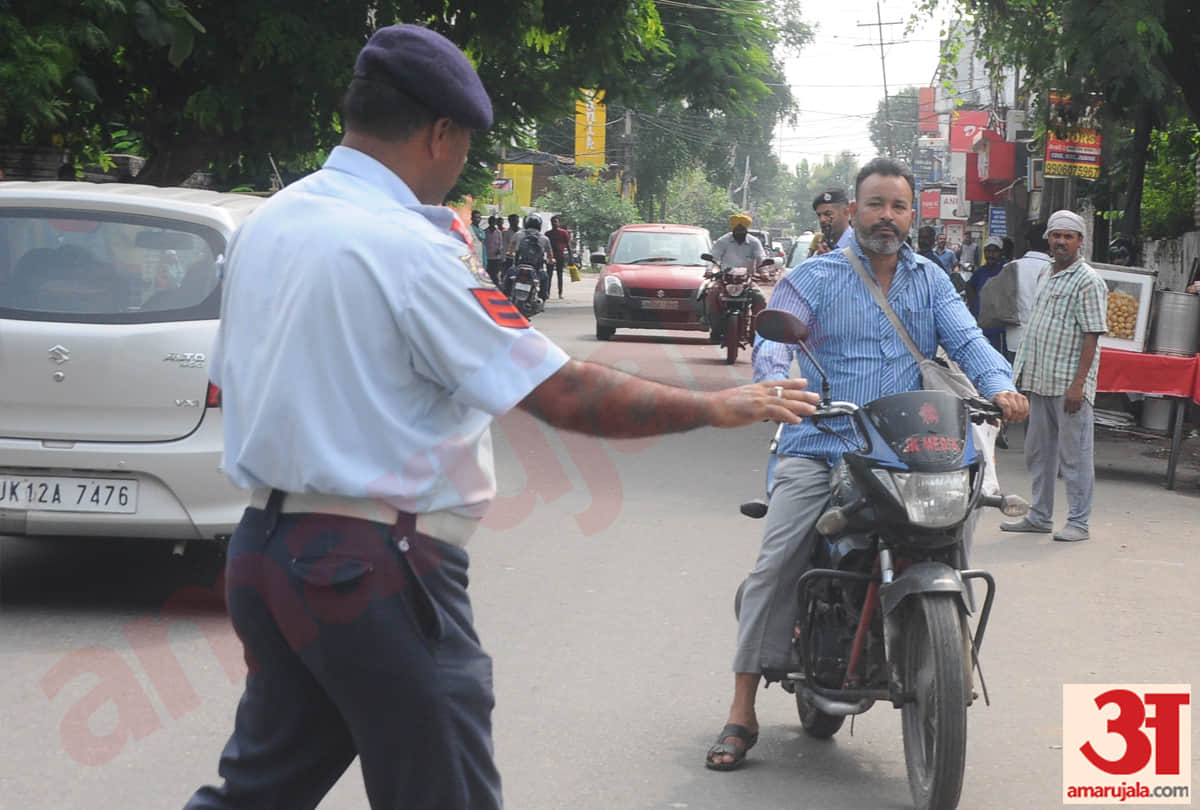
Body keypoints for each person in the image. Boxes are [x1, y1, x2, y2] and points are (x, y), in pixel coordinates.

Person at [184, 23, 819, 810]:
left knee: (258, 790)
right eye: (464, 148)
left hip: (266, 553)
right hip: (373, 564)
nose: (458, 170)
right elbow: (559, 391)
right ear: (440, 132)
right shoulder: (408, 248)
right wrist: (714, 407)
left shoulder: (269, 225)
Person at [704, 156, 1028, 772]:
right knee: (777, 562)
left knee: (957, 522)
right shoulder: (817, 276)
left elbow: (968, 344)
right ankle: (741, 709)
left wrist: (1002, 387)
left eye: (899, 206)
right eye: (875, 204)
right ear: (854, 212)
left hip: (906, 449)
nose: (887, 216)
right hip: (823, 443)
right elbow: (775, 343)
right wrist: (778, 389)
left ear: (913, 215)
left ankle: (945, 646)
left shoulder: (931, 280)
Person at [1001, 210, 1107, 544]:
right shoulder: (1046, 273)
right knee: (1038, 454)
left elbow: (1092, 334)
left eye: (1068, 236)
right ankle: (1040, 516)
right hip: (1040, 381)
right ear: (1048, 238)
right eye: (1056, 235)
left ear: (1080, 241)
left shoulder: (1088, 280)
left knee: (1074, 457)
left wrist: (1079, 384)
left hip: (1068, 385)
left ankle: (1079, 522)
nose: (1061, 241)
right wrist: (1021, 378)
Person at [700, 212, 767, 342]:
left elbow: (761, 258)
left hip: (746, 281)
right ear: (733, 229)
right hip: (724, 280)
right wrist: (708, 270)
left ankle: (754, 332)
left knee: (760, 299)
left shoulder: (754, 242)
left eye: (743, 230)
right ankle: (715, 329)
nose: (740, 232)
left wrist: (763, 272)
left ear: (746, 230)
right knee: (711, 296)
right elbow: (713, 256)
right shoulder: (723, 241)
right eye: (737, 229)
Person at [1003, 227, 1052, 363]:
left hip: (1014, 338)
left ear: (1028, 244)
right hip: (1045, 342)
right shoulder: (1055, 271)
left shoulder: (1010, 268)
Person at [966, 235, 1008, 353]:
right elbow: (969, 286)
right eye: (988, 251)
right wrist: (974, 307)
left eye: (994, 251)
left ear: (1001, 252)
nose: (990, 255)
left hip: (998, 328)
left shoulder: (1006, 269)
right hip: (981, 326)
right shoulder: (981, 271)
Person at [504, 213, 552, 300]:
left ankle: (506, 295)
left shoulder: (518, 234)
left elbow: (510, 251)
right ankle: (543, 297)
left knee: (508, 273)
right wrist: (551, 260)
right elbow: (550, 256)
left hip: (519, 267)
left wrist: (510, 254)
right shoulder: (544, 238)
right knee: (545, 277)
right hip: (536, 269)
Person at [812, 187, 852, 251]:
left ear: (846, 212)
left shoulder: (859, 246)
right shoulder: (822, 246)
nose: (822, 220)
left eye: (828, 214)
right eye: (819, 215)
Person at [546, 214, 572, 299]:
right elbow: (545, 246)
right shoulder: (548, 234)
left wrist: (571, 258)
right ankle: (547, 292)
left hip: (560, 256)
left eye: (556, 222)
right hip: (550, 256)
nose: (554, 223)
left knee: (559, 275)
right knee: (549, 275)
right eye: (553, 222)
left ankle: (560, 293)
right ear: (551, 223)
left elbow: (568, 245)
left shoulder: (563, 232)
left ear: (558, 223)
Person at [483, 215, 505, 286]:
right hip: (487, 257)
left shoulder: (499, 232)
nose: (492, 223)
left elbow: (501, 244)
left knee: (495, 275)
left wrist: (499, 250)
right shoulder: (484, 232)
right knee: (487, 274)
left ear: (495, 222)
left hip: (496, 258)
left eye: (494, 221)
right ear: (489, 222)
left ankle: (495, 288)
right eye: (491, 221)